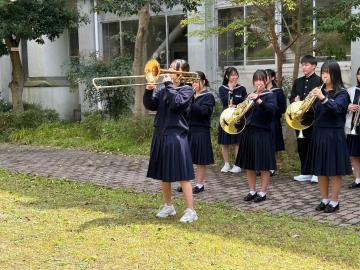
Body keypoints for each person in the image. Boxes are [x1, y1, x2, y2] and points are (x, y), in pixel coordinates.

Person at [143, 59, 198, 223]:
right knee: (163, 173)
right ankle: (169, 206)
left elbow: (177, 104)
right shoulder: (163, 89)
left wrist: (168, 86)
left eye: (173, 69)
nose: (168, 70)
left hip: (176, 135)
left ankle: (191, 210)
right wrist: (148, 91)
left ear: (181, 73)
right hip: (160, 133)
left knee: (183, 174)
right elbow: (151, 106)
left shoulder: (187, 90)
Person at [304, 60, 351, 213]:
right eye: (323, 72)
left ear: (335, 74)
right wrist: (307, 102)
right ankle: (324, 199)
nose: (324, 75)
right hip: (319, 133)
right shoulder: (318, 91)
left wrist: (323, 98)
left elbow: (337, 109)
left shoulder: (342, 93)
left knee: (334, 170)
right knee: (321, 169)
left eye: (328, 72)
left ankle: (335, 201)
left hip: (334, 134)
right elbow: (312, 113)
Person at [235, 70, 277, 203]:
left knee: (264, 165)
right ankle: (252, 191)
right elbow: (244, 114)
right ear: (253, 82)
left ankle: (263, 192)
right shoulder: (249, 95)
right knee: (249, 164)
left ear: (266, 81)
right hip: (248, 133)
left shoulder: (270, 95)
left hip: (263, 133)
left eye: (261, 80)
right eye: (256, 80)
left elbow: (272, 111)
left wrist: (258, 100)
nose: (258, 82)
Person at [178, 71, 215, 194]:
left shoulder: (208, 96)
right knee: (185, 158)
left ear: (203, 82)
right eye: (192, 81)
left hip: (201, 130)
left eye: (197, 81)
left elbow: (204, 112)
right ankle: (185, 182)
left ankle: (199, 184)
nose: (194, 84)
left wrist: (192, 100)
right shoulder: (189, 95)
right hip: (188, 129)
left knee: (200, 159)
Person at [289, 55, 321, 183]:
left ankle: (315, 172)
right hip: (299, 119)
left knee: (313, 145)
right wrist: (294, 100)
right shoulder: (298, 81)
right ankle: (305, 171)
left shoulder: (319, 81)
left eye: (306, 65)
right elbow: (291, 97)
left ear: (313, 66)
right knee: (302, 145)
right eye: (303, 65)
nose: (304, 67)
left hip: (313, 119)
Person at [218, 67, 247, 173]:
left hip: (237, 118)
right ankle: (226, 164)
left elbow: (245, 103)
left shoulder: (242, 88)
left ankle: (237, 164)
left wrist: (236, 105)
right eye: (232, 75)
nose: (234, 77)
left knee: (237, 142)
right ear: (227, 77)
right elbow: (224, 101)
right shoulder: (222, 88)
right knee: (224, 142)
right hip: (225, 118)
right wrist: (231, 91)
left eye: (236, 74)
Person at [265, 69, 286, 176]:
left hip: (273, 120)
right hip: (262, 121)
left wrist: (272, 108)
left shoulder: (278, 91)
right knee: (263, 144)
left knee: (273, 144)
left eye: (267, 76)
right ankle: (263, 166)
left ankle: (272, 166)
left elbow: (283, 108)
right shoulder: (259, 91)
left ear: (272, 78)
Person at [346, 67, 360, 188]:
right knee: (355, 155)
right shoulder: (351, 90)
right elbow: (342, 105)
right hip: (354, 127)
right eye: (359, 74)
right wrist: (348, 106)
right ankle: (358, 179)